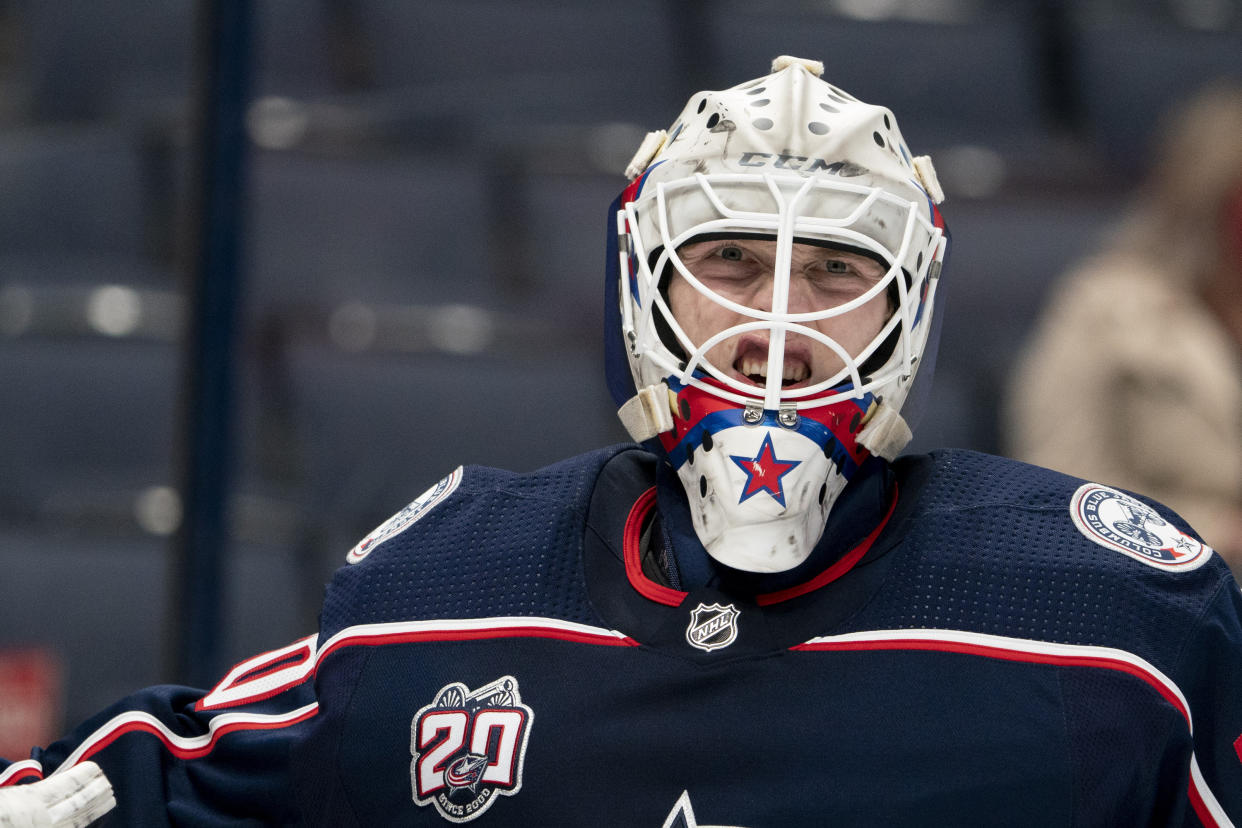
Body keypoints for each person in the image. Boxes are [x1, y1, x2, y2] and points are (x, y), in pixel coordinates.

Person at [1, 55, 1240, 827]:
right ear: (642, 291)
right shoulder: (441, 594)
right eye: (734, 262)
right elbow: (166, 770)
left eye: (835, 274)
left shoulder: (1115, 622)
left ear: (908, 313)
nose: (775, 324)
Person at [1005, 83, 1242, 572]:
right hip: (1158, 577)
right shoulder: (1103, 306)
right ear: (1206, 202)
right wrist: (1215, 531)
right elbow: (1058, 480)